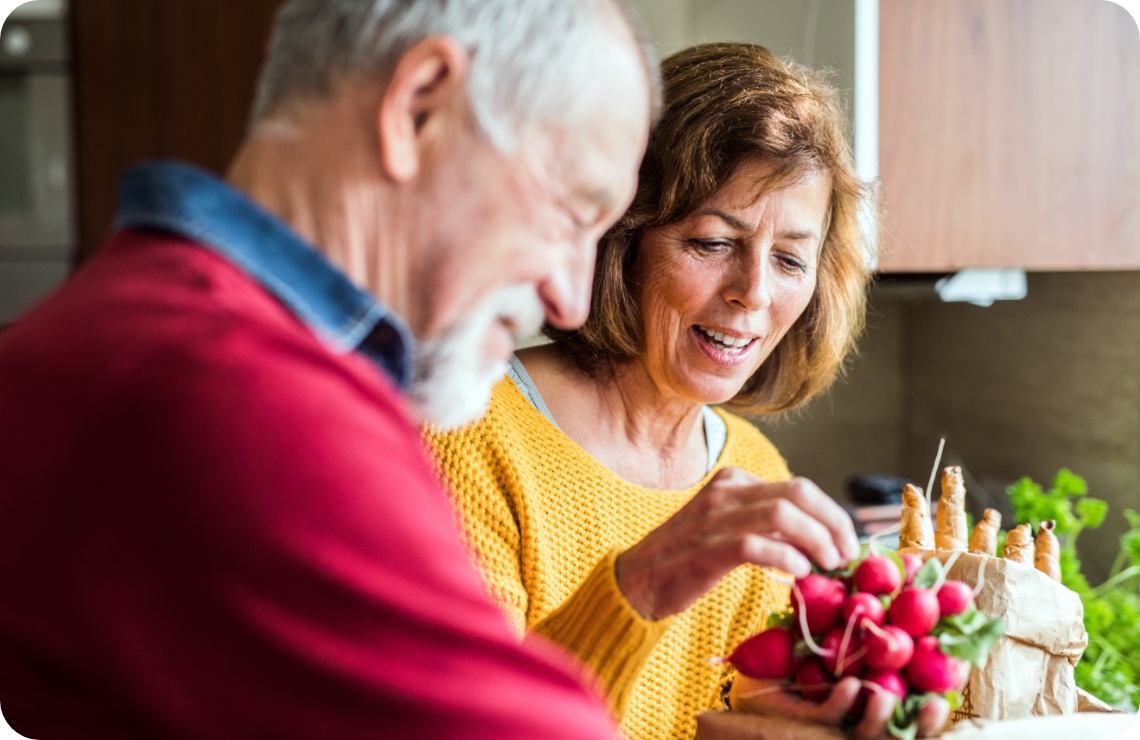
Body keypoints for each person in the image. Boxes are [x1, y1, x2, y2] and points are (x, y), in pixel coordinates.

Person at [0, 1, 658, 737]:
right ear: (418, 109)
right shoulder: (242, 396)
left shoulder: (127, 321)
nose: (571, 299)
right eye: (573, 213)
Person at [427, 43, 950, 740]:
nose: (753, 293)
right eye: (711, 242)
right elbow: (465, 725)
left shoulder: (757, 473)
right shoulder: (466, 432)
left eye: (791, 259)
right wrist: (637, 587)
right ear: (623, 238)